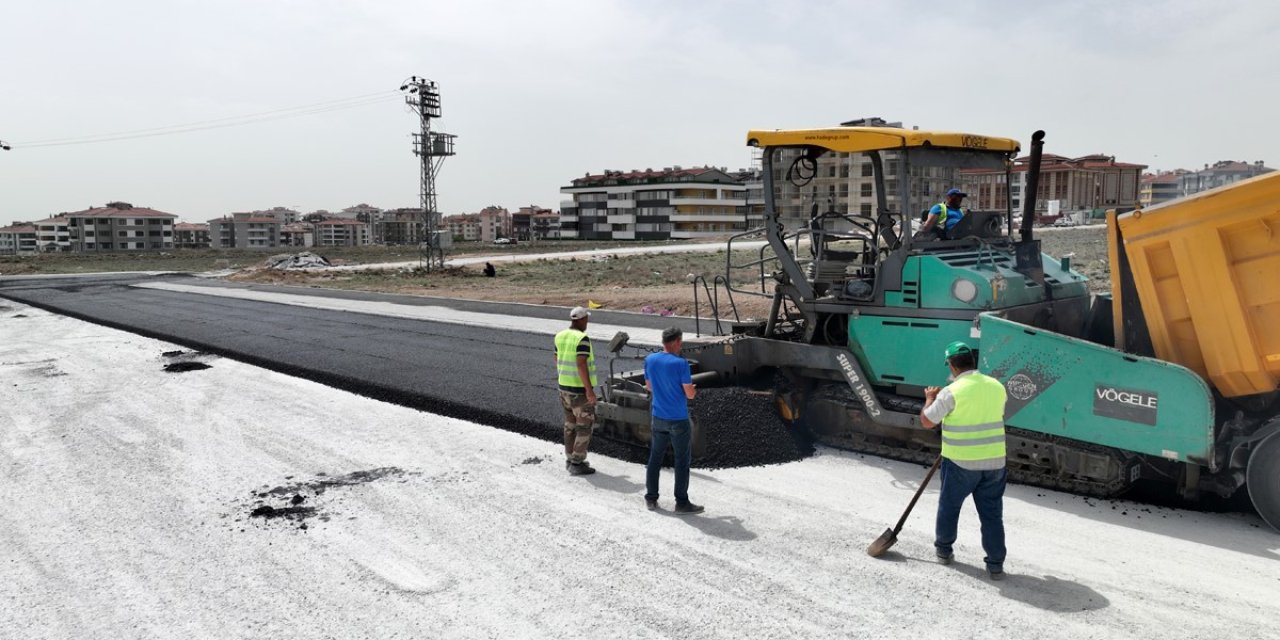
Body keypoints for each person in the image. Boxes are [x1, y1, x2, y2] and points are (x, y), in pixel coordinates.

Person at [920, 340, 1008, 580]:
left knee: (949, 507)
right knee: (992, 514)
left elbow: (927, 421)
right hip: (995, 464)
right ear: (972, 361)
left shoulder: (952, 391)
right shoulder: (997, 386)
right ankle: (996, 564)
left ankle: (944, 551)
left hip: (961, 463)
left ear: (952, 365)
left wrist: (929, 398)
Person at [642, 327, 704, 514]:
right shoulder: (680, 363)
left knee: (655, 457)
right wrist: (692, 389)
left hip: (658, 417)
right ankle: (681, 503)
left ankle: (651, 498)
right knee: (681, 460)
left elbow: (649, 387)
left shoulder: (650, 359)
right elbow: (689, 394)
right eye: (680, 341)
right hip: (678, 419)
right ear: (677, 341)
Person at [554, 307, 597, 476]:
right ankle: (577, 463)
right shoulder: (582, 338)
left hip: (563, 388)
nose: (587, 322)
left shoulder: (560, 335)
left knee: (569, 425)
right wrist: (589, 391)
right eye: (586, 319)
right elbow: (581, 364)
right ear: (581, 320)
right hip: (579, 392)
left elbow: (556, 358)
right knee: (584, 426)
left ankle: (570, 457)